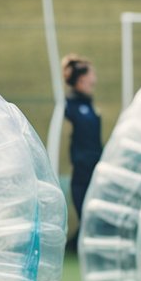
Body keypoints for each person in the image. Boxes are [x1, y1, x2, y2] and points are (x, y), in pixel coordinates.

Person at [62, 54, 101, 228]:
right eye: (91, 76)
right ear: (81, 80)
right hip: (82, 169)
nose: (94, 80)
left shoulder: (88, 104)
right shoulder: (69, 106)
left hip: (95, 166)